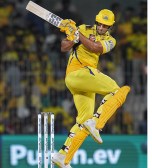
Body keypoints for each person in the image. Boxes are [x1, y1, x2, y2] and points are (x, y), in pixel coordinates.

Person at [51, 9, 130, 168]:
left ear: (110, 27)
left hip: (84, 81)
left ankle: (63, 157)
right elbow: (64, 47)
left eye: (105, 25)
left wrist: (77, 35)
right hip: (77, 73)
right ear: (96, 21)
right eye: (100, 23)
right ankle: (97, 122)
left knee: (83, 122)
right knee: (117, 90)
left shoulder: (111, 40)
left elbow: (95, 48)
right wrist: (73, 36)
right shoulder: (83, 28)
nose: (101, 27)